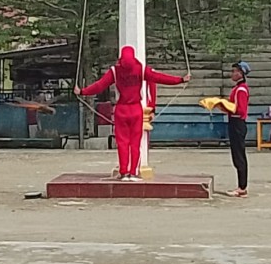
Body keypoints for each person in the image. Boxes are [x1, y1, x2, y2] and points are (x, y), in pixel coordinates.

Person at [75, 46, 190, 181]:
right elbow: (159, 77)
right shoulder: (140, 69)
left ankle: (123, 172)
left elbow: (100, 85)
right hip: (136, 109)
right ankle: (133, 172)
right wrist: (180, 80)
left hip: (121, 110)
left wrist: (82, 91)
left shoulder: (115, 71)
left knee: (122, 142)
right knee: (135, 143)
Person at [225, 61, 251, 198]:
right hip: (234, 122)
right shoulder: (238, 88)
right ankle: (241, 185)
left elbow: (240, 110)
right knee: (237, 154)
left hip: (237, 122)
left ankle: (242, 187)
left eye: (234, 71)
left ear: (240, 73)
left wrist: (225, 106)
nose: (232, 74)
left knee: (239, 155)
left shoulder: (241, 90)